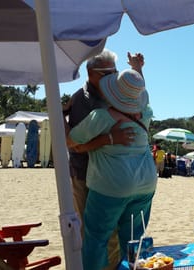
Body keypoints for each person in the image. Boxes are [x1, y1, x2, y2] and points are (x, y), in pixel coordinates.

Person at [63, 49, 144, 269]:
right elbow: (76, 145)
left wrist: (137, 69)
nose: (114, 76)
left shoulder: (110, 94)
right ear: (92, 74)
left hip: (108, 176)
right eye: (109, 72)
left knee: (112, 234)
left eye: (115, 72)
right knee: (94, 235)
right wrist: (110, 138)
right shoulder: (83, 100)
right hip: (86, 173)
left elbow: (138, 95)